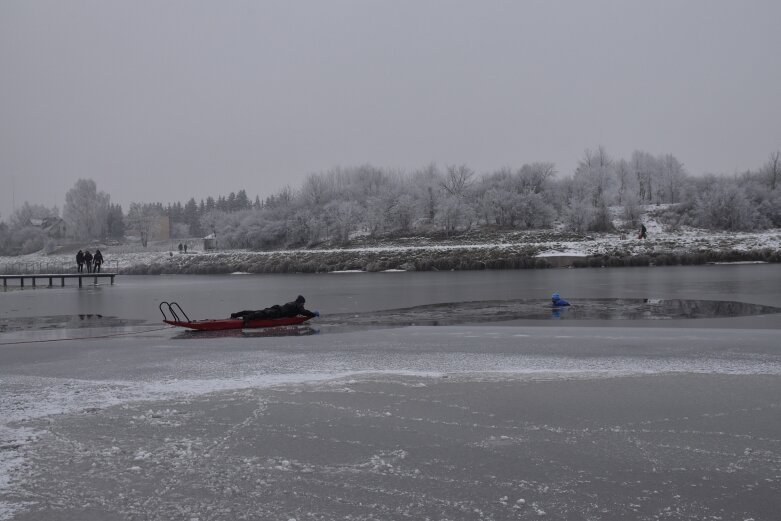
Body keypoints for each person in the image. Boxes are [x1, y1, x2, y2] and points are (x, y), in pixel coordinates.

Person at [231, 295, 319, 322]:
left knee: (258, 311)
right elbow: (304, 312)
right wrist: (313, 314)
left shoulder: (292, 303)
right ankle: (248, 318)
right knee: (262, 314)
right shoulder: (298, 305)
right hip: (278, 313)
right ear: (301, 302)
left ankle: (235, 315)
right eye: (303, 303)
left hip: (276, 308)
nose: (303, 305)